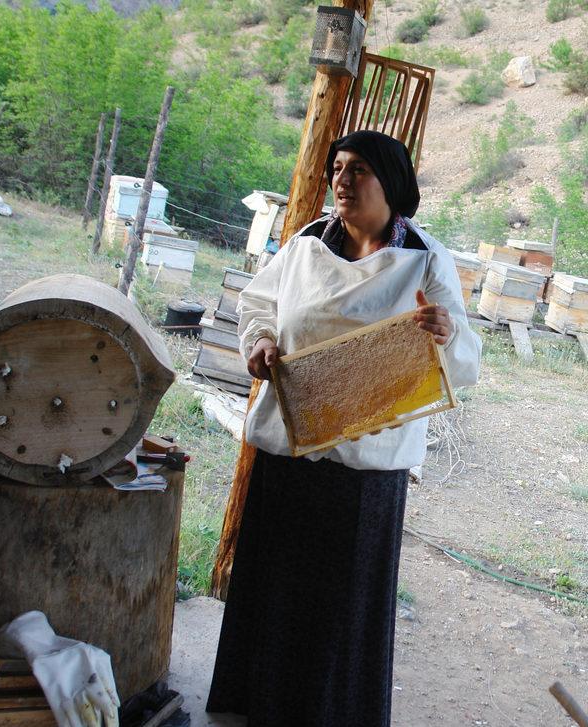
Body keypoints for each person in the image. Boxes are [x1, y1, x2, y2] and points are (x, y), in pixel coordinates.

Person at [206, 130, 481, 727]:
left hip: (366, 470)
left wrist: (445, 333)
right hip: (290, 453)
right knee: (275, 591)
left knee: (340, 608)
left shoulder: (427, 259)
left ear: (393, 182)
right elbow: (259, 305)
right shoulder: (307, 243)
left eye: (358, 170)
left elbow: (467, 364)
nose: (342, 180)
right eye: (337, 168)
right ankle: (259, 704)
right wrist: (259, 344)